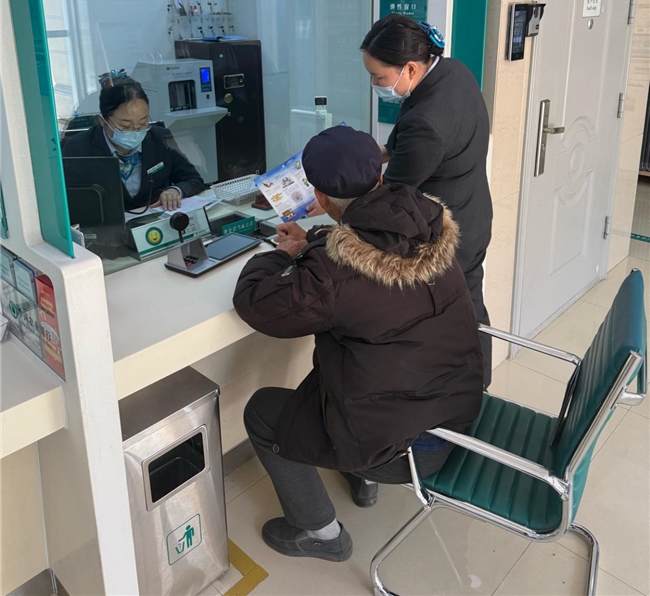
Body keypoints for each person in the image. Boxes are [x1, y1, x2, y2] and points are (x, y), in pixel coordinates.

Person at [233, 125, 483, 563]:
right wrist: (313, 243)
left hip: (404, 448)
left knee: (262, 411)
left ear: (319, 197)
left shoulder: (332, 275)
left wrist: (280, 255)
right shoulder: (425, 221)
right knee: (347, 370)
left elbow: (256, 304)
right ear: (379, 178)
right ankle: (360, 479)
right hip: (456, 415)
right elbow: (370, 243)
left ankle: (319, 532)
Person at [361, 13, 493, 386]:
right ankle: (479, 386)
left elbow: (390, 198)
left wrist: (335, 199)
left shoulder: (428, 125)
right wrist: (376, 153)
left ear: (410, 68)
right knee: (471, 306)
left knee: (450, 320)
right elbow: (407, 136)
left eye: (379, 78)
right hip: (474, 213)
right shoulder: (451, 72)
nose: (374, 84)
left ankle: (461, 393)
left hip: (448, 236)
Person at [63, 78, 204, 211]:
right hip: (106, 224)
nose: (136, 131)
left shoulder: (160, 138)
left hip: (154, 217)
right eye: (125, 126)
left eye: (143, 123)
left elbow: (193, 179)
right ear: (103, 121)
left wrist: (176, 190)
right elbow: (66, 199)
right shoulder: (78, 148)